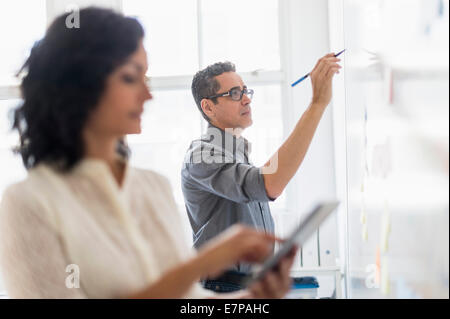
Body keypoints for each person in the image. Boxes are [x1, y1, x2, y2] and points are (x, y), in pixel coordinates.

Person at [0, 7, 296, 299]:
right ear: (79, 88)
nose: (148, 94)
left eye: (146, 78)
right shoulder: (28, 203)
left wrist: (253, 299)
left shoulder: (153, 187)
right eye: (130, 78)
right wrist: (202, 264)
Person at [182, 57, 341, 292]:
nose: (246, 99)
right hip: (222, 288)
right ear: (208, 107)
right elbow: (268, 184)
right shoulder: (202, 155)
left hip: (248, 284)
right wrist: (316, 104)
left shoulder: (237, 152)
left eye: (245, 91)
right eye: (234, 94)